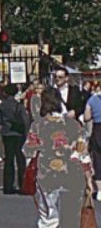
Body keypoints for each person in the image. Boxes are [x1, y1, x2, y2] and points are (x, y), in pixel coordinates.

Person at [25, 86, 92, 228]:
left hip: (46, 176)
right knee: (70, 218)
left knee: (48, 218)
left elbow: (28, 151)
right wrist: (88, 178)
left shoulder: (38, 126)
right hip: (72, 175)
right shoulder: (74, 125)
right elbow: (83, 154)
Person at [0, 82, 28, 195]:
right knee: (20, 160)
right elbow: (25, 120)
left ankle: (8, 186)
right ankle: (22, 185)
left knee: (8, 160)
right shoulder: (18, 105)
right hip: (18, 133)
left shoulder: (2, 105)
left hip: (7, 133)